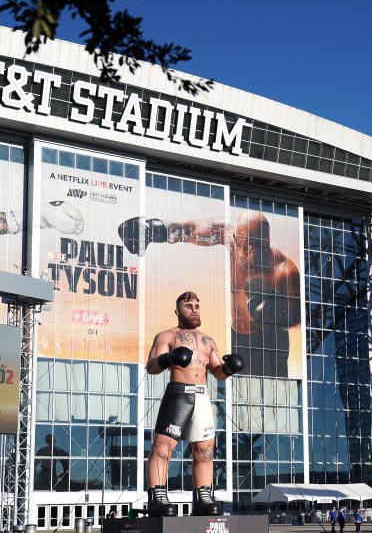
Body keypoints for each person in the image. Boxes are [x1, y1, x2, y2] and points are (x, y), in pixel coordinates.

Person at [118, 212, 301, 377]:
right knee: (238, 394)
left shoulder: (284, 271)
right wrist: (157, 229)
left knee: (274, 394)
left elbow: (297, 318)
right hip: (238, 335)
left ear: (265, 244)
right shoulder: (230, 239)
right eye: (239, 242)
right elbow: (191, 230)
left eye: (250, 246)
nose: (241, 251)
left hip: (269, 341)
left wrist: (271, 309)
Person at [144, 291, 245, 516]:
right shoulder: (166, 336)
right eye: (188, 306)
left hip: (201, 395)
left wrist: (229, 367)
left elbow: (218, 373)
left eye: (197, 305)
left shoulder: (208, 341)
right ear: (178, 311)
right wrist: (168, 358)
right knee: (162, 448)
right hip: (178, 394)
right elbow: (151, 367)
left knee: (205, 450)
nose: (194, 309)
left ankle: (203, 497)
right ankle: (158, 496)